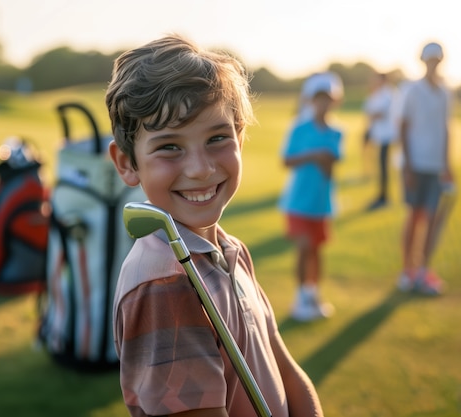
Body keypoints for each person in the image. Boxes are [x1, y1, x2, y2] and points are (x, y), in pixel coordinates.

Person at [106, 35, 324, 417]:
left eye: (218, 138)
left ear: (240, 138)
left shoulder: (231, 250)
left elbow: (286, 372)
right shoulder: (163, 285)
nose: (201, 168)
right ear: (126, 162)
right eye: (169, 146)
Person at [278, 72, 344, 321]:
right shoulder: (299, 127)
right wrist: (315, 155)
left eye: (328, 99)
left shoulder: (336, 131)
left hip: (322, 202)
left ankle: (312, 293)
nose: (323, 104)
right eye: (319, 99)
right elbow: (287, 160)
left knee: (317, 250)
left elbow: (332, 164)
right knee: (304, 247)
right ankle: (300, 297)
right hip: (297, 201)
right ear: (311, 100)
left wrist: (324, 158)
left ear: (334, 101)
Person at [397, 41, 454, 295]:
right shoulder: (411, 90)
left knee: (431, 219)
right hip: (415, 164)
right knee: (414, 217)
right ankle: (407, 270)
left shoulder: (445, 92)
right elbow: (403, 127)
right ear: (423, 61)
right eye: (430, 60)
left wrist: (447, 164)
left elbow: (446, 129)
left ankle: (423, 270)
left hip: (435, 166)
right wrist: (407, 166)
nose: (434, 64)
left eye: (437, 60)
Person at [362, 72, 399, 210]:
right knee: (380, 167)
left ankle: (384, 197)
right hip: (380, 136)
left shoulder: (389, 93)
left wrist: (372, 115)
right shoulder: (378, 93)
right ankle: (382, 195)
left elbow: (379, 113)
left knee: (384, 167)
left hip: (387, 137)